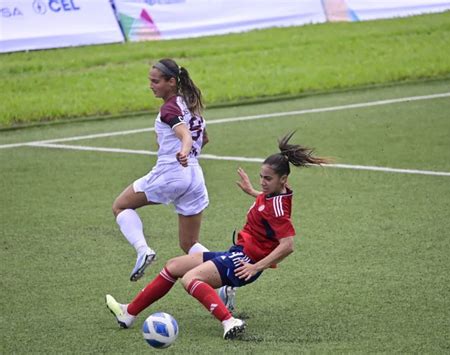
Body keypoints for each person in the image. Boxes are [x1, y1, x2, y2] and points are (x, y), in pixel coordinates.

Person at [106, 132, 330, 339]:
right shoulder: (273, 195)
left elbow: (287, 245)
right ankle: (129, 312)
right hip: (238, 253)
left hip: (245, 262)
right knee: (174, 266)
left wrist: (256, 267)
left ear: (283, 180)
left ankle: (229, 322)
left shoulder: (278, 209)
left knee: (191, 279)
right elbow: (266, 204)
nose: (262, 182)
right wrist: (252, 191)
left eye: (267, 179)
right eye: (261, 177)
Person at [112, 58, 210, 282]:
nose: (151, 85)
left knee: (120, 206)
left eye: (156, 81)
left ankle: (143, 249)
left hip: (172, 172)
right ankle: (225, 277)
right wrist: (188, 153)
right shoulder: (191, 104)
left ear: (172, 82)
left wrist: (183, 152)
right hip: (195, 177)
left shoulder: (170, 108)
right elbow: (203, 138)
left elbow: (185, 135)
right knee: (189, 243)